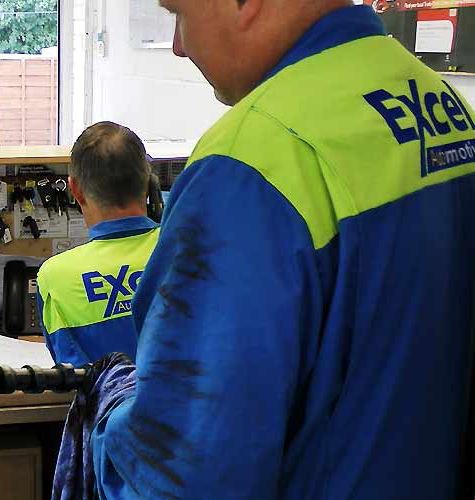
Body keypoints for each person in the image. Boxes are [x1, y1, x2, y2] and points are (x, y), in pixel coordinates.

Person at [89, 1, 475, 499]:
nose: (178, 46)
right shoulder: (440, 103)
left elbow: (183, 477)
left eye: (178, 13)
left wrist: (108, 418)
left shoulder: (252, 164)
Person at [36, 122, 160, 366]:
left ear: (75, 190)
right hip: (194, 402)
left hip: (110, 402)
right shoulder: (190, 248)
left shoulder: (55, 277)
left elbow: (67, 370)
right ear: (148, 184)